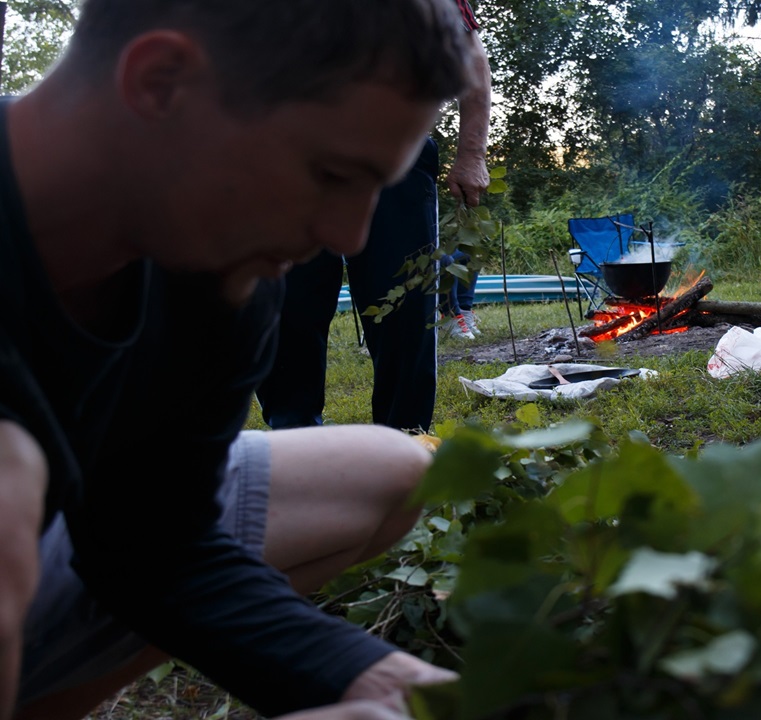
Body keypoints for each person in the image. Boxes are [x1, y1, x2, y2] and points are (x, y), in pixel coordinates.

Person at [1, 1, 477, 719]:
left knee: (390, 470)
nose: (348, 237)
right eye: (330, 172)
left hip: (39, 541)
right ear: (161, 83)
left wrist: (381, 683)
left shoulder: (215, 270)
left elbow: (158, 545)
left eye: (375, 187)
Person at [256, 0, 492, 430]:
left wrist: (472, 153)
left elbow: (469, 54)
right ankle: (293, 435)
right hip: (285, 153)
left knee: (404, 302)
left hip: (393, 151)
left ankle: (406, 436)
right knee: (288, 303)